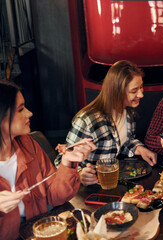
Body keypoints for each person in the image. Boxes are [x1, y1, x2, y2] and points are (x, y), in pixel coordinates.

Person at [0, 80, 96, 239]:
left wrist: (66, 163)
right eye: (21, 109)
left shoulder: (28, 144)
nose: (29, 113)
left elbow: (54, 196)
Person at [55, 60, 157, 186]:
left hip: (112, 181)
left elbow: (123, 141)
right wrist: (80, 174)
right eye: (134, 90)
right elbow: (62, 160)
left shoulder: (128, 112)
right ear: (117, 91)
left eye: (141, 87)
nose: (141, 94)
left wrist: (140, 149)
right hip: (88, 187)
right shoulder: (87, 120)